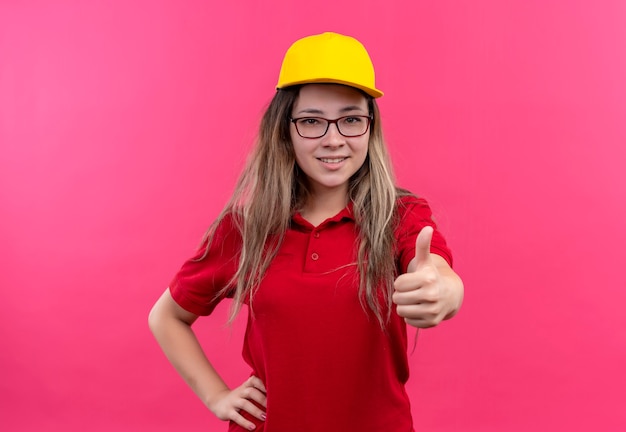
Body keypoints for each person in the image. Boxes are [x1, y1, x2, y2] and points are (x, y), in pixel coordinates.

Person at [148, 31, 464, 432]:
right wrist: (216, 395)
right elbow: (167, 317)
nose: (334, 140)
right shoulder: (247, 230)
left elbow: (440, 274)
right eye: (312, 121)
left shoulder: (400, 217)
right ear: (286, 129)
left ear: (370, 128)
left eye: (351, 119)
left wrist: (442, 289)